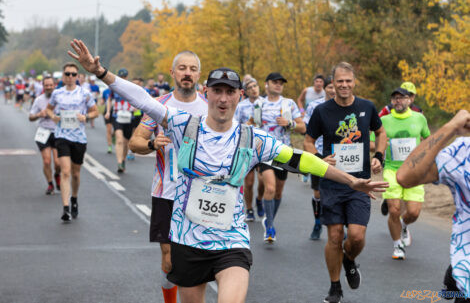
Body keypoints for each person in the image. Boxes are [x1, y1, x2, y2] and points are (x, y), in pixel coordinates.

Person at [69, 38, 388, 303]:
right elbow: (141, 98)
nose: (223, 99)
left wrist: (351, 180)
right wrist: (100, 72)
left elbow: (300, 160)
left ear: (239, 96)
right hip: (187, 239)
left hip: (231, 241)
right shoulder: (182, 125)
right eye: (217, 91)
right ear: (207, 93)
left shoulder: (252, 138)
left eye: (229, 92)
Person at [129, 50, 208, 303]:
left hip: (200, 191)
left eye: (192, 69)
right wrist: (152, 144)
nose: (187, 73)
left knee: (199, 256)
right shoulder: (159, 105)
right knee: (169, 258)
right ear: (173, 73)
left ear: (198, 74)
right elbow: (134, 142)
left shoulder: (209, 107)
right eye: (182, 68)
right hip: (167, 192)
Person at [304, 62, 387, 303]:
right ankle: (334, 286)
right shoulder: (322, 111)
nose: (344, 85)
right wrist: (319, 159)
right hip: (331, 183)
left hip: (360, 183)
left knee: (357, 237)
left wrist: (379, 156)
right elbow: (308, 141)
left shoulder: (367, 107)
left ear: (354, 82)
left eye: (348, 81)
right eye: (339, 81)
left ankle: (349, 259)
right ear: (333, 83)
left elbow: (381, 133)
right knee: (334, 237)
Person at [396, 110, 470, 303]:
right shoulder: (463, 152)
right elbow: (405, 176)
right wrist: (450, 128)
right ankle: (456, 271)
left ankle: (453, 271)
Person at [371, 87, 430, 260]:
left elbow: (429, 139)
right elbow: (372, 143)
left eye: (402, 98)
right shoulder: (384, 120)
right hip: (391, 169)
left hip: (414, 171)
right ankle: (398, 246)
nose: (398, 101)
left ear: (409, 100)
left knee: (413, 212)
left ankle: (403, 226)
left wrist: (425, 154)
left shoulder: (419, 118)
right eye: (395, 98)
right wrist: (382, 145)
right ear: (391, 101)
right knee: (394, 210)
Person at [46, 62, 99, 221]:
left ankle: (74, 198)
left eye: (73, 74)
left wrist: (86, 117)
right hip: (62, 135)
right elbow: (49, 108)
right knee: (65, 172)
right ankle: (65, 207)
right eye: (67, 74)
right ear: (63, 76)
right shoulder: (57, 93)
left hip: (79, 138)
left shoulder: (84, 93)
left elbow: (95, 112)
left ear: (77, 76)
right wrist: (53, 116)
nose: (70, 77)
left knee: (76, 173)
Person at [257, 72, 306, 243]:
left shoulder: (289, 103)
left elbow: (302, 127)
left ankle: (269, 218)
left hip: (284, 152)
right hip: (264, 152)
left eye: (281, 83)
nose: (278, 85)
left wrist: (290, 123)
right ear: (266, 84)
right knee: (269, 188)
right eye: (274, 82)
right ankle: (270, 226)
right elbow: (249, 122)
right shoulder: (259, 103)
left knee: (278, 192)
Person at [302, 75, 336, 240]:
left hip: (340, 155)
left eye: (335, 86)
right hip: (319, 153)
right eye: (329, 87)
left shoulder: (347, 106)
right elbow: (307, 130)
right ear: (325, 88)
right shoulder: (315, 106)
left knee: (340, 191)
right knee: (318, 193)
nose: (333, 90)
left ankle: (339, 224)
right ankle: (317, 222)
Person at [234, 77, 265, 221]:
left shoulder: (265, 103)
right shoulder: (241, 106)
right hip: (247, 147)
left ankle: (259, 199)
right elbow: (235, 127)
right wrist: (248, 123)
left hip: (263, 147)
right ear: (245, 91)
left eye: (255, 86)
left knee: (263, 180)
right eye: (250, 87)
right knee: (249, 182)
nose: (254, 89)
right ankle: (249, 209)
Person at [29, 76, 61, 194]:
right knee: (47, 161)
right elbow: (30, 117)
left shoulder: (60, 99)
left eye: (50, 85)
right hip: (43, 132)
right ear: (43, 86)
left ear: (54, 86)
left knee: (58, 163)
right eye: (46, 85)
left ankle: (57, 175)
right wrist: (39, 114)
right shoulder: (38, 100)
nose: (48, 87)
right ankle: (50, 184)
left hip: (57, 132)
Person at [105, 68, 133, 172]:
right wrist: (108, 111)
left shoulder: (131, 87)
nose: (123, 79)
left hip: (129, 117)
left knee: (126, 142)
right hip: (117, 116)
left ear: (127, 77)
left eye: (124, 77)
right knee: (119, 139)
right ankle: (119, 162)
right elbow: (109, 99)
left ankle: (123, 159)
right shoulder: (113, 87)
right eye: (121, 77)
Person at [101, 85, 114, 154]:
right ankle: (109, 146)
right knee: (109, 129)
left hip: (116, 111)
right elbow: (102, 100)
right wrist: (102, 102)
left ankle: (114, 135)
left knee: (115, 130)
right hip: (107, 111)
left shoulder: (117, 90)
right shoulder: (105, 91)